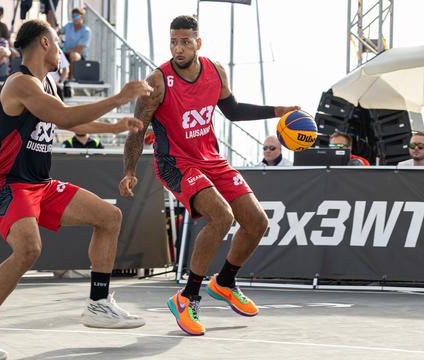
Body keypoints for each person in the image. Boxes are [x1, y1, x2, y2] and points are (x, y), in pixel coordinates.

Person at [0, 19, 152, 360]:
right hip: (6, 183)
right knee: (29, 249)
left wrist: (114, 126)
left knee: (109, 216)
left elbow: (70, 118)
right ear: (44, 43)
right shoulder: (20, 83)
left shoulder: (47, 85)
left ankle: (99, 304)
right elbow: (63, 118)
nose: (62, 50)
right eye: (58, 42)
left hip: (38, 184)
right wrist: (119, 98)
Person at [120, 15, 299, 336]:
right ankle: (187, 297)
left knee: (257, 222)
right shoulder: (157, 82)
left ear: (198, 43)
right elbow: (137, 130)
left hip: (211, 158)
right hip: (177, 163)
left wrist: (278, 110)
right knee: (221, 217)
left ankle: (226, 282)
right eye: (173, 41)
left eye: (185, 41)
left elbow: (232, 110)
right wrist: (130, 170)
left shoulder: (216, 71)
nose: (178, 48)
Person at [60, 8, 90, 80]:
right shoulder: (68, 25)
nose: (74, 18)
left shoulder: (86, 31)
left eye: (77, 16)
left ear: (82, 17)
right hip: (65, 52)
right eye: (73, 16)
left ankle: (71, 79)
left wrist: (64, 50)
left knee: (74, 55)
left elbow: (79, 50)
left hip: (79, 56)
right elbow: (57, 33)